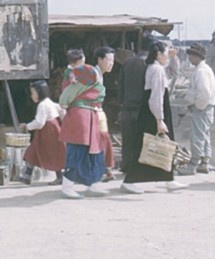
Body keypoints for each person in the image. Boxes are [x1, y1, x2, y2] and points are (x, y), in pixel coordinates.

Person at [119, 41, 187, 194]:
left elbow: (173, 73)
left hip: (154, 111)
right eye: (165, 54)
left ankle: (169, 179)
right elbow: (155, 96)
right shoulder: (156, 69)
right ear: (158, 54)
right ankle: (129, 181)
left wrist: (174, 58)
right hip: (153, 113)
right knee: (146, 146)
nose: (167, 57)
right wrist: (159, 119)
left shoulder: (157, 67)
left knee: (164, 145)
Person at [57, 50, 108, 199]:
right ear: (83, 59)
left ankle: (93, 183)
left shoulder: (72, 73)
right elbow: (65, 98)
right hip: (81, 116)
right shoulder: (84, 73)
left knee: (93, 151)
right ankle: (67, 186)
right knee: (78, 150)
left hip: (87, 114)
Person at [179, 43, 215, 175]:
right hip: (206, 107)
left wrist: (197, 105)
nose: (189, 59)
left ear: (197, 57)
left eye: (191, 56)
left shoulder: (202, 71)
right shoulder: (204, 69)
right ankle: (204, 162)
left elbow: (204, 92)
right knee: (204, 135)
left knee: (197, 136)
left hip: (202, 107)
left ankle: (193, 164)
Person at [18, 80, 66, 185]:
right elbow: (61, 110)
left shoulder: (42, 105)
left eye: (33, 93)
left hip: (48, 133)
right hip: (52, 131)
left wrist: (27, 126)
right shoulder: (49, 102)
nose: (31, 95)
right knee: (33, 151)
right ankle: (27, 176)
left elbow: (40, 122)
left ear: (39, 92)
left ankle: (60, 177)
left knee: (51, 153)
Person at [93, 46, 116, 182]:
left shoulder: (100, 75)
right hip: (93, 111)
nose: (111, 63)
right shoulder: (93, 74)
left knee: (103, 140)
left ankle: (107, 169)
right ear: (100, 60)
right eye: (109, 60)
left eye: (113, 61)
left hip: (99, 111)